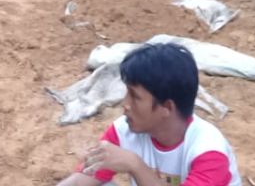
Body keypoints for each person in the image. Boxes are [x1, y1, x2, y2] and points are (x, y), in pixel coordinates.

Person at [56, 43, 242, 186]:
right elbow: (82, 179)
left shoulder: (208, 151)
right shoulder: (123, 130)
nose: (125, 104)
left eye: (135, 97)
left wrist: (135, 165)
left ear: (166, 108)